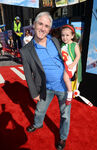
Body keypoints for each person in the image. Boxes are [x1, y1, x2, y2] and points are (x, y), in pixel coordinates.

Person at [20, 12, 71, 150]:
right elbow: (28, 75)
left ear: (49, 29)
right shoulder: (25, 51)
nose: (43, 28)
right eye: (40, 24)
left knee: (65, 115)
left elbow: (64, 59)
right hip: (45, 87)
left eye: (46, 26)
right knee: (39, 110)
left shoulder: (54, 41)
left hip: (63, 86)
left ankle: (62, 137)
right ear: (34, 24)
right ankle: (38, 124)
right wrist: (33, 93)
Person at [61, 24, 82, 105]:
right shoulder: (62, 45)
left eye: (67, 35)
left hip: (71, 65)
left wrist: (73, 64)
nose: (64, 37)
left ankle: (70, 94)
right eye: (63, 35)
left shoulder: (75, 45)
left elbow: (78, 56)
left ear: (72, 35)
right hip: (64, 64)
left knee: (65, 77)